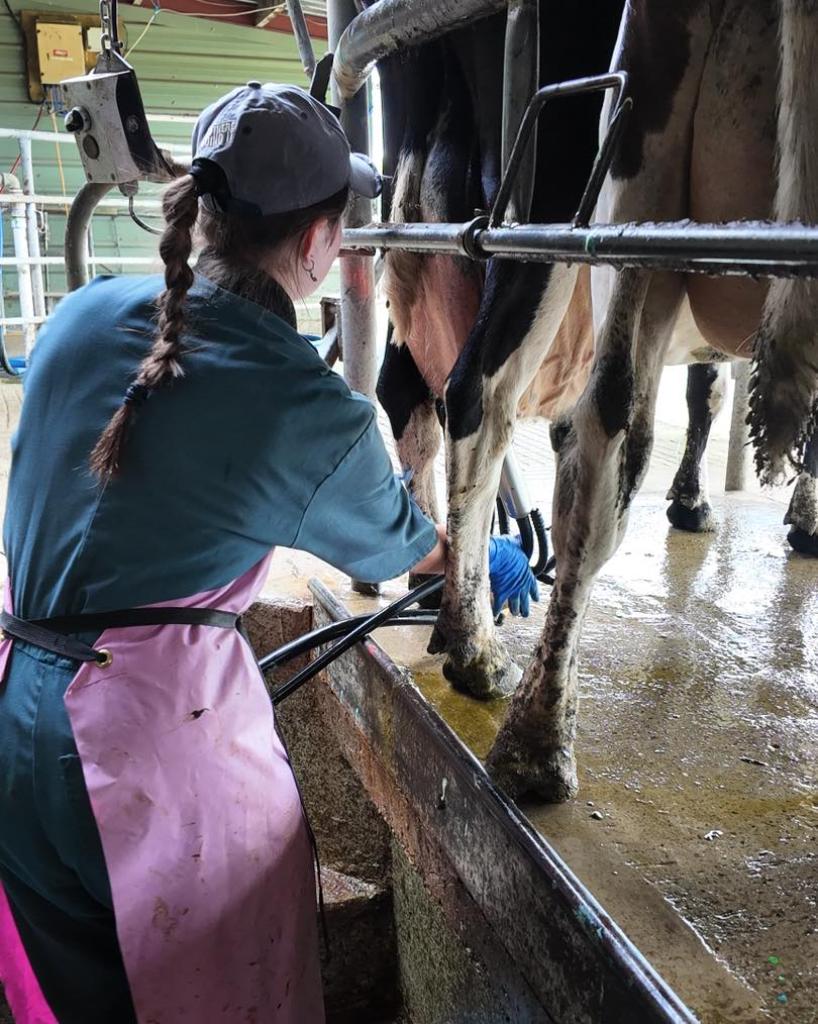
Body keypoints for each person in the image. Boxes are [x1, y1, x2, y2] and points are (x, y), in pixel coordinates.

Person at [0, 82, 538, 1023]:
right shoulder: (308, 409)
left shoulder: (81, 316)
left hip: (16, 714)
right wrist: (475, 556)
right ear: (318, 245)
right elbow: (403, 544)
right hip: (147, 760)